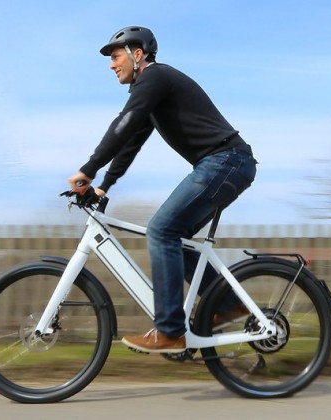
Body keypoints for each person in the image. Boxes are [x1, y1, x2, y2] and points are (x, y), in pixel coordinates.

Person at [67, 26, 257, 354]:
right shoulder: (151, 92)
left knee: (161, 230)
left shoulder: (155, 79)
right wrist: (104, 185)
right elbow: (130, 140)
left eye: (115, 57)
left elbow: (124, 123)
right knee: (176, 240)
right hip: (224, 163)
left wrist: (88, 169)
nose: (111, 65)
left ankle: (170, 331)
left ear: (137, 54)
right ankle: (227, 304)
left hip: (225, 161)